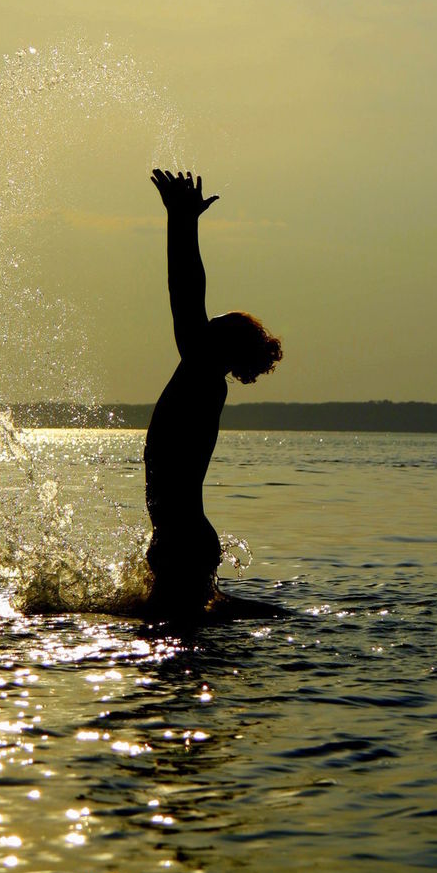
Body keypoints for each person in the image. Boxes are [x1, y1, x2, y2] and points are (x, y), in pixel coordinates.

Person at [144, 169, 283, 616]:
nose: (211, 320)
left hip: (183, 538)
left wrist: (182, 221)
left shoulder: (203, 375)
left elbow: (184, 291)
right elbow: (184, 296)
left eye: (219, 321)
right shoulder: (202, 377)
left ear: (223, 344)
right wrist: (181, 221)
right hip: (182, 537)